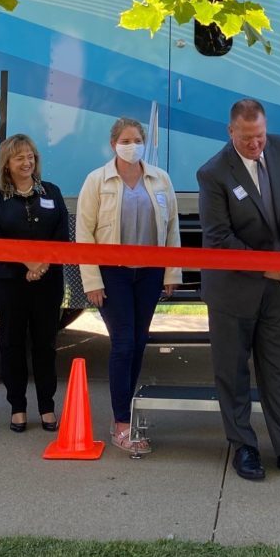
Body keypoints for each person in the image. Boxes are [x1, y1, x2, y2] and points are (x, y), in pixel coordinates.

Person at [196, 98, 280, 483]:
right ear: (231, 132)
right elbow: (218, 239)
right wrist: (265, 266)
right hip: (235, 290)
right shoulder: (213, 173)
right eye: (248, 138)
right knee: (232, 373)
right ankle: (244, 447)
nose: (256, 145)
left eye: (261, 136)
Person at [77, 117, 181, 456]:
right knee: (123, 344)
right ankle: (121, 423)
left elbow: (172, 229)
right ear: (113, 144)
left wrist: (170, 273)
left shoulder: (160, 179)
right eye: (125, 139)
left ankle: (128, 411)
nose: (131, 144)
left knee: (138, 342)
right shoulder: (97, 180)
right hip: (113, 274)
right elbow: (84, 235)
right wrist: (92, 280)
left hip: (149, 274)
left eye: (137, 139)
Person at [0, 134, 72, 433]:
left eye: (31, 156)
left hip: (47, 282)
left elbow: (61, 235)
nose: (27, 161)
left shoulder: (52, 192)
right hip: (9, 282)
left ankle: (47, 407)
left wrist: (41, 265)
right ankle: (17, 407)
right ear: (7, 162)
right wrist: (26, 263)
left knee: (45, 344)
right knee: (11, 344)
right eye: (19, 157)